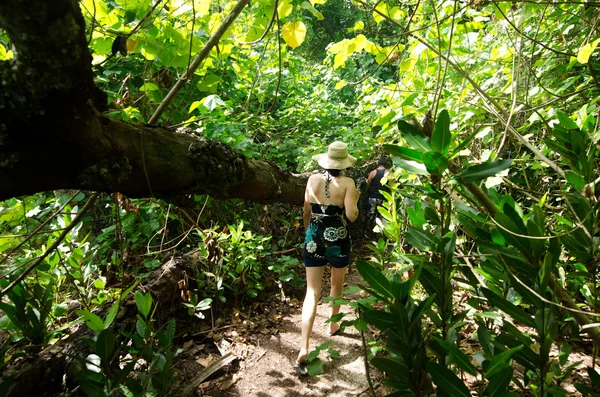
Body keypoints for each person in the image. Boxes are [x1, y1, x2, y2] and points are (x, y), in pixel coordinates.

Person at [296, 141, 360, 375]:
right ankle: (333, 324)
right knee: (337, 284)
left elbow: (305, 211)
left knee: (311, 292)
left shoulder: (312, 179)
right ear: (344, 163)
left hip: (313, 238)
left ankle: (304, 346)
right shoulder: (348, 183)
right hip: (338, 241)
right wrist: (357, 199)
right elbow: (352, 216)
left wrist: (308, 234)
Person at [366, 156, 391, 229]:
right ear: (386, 164)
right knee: (381, 215)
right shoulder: (388, 172)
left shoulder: (372, 173)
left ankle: (369, 229)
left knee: (370, 214)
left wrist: (368, 192)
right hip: (383, 197)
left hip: (373, 197)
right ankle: (379, 230)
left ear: (378, 164)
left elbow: (368, 184)